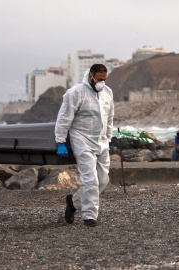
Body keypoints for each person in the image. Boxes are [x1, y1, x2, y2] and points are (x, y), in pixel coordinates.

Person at [55, 64, 114, 227]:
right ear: (90, 76)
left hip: (101, 142)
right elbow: (64, 117)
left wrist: (108, 139)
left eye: (105, 79)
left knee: (103, 180)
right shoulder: (75, 93)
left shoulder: (107, 93)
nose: (102, 82)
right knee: (90, 180)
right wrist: (60, 141)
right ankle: (89, 216)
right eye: (99, 79)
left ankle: (73, 203)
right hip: (82, 140)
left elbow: (109, 118)